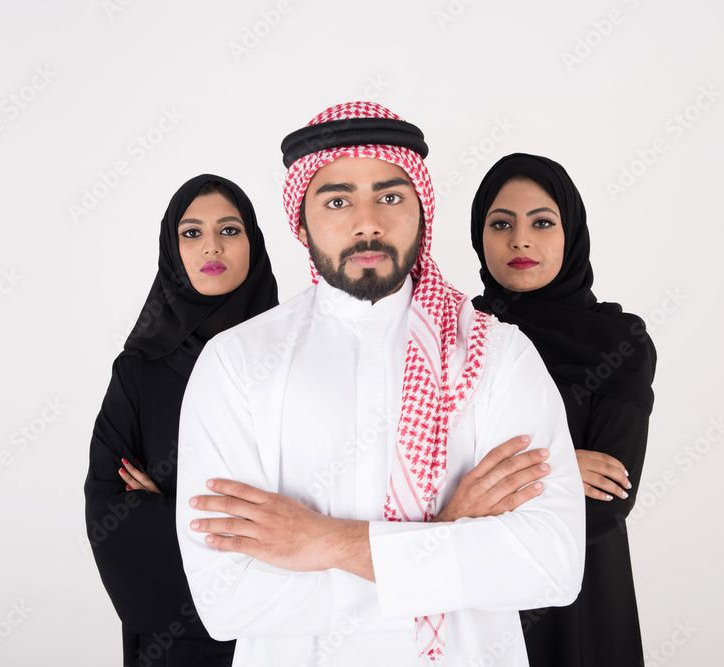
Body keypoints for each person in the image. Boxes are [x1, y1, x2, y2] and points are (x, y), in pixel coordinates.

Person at [175, 102, 586, 667]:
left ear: (422, 211)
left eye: (390, 197)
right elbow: (227, 603)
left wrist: (322, 543)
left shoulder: (498, 355)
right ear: (300, 221)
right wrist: (447, 539)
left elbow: (552, 565)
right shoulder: (237, 364)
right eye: (338, 200)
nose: (367, 221)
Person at [469, 153, 656, 667]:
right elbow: (420, 476)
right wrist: (560, 465)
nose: (520, 240)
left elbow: (608, 500)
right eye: (501, 223)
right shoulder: (458, 335)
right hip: (471, 590)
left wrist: (483, 487)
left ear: (571, 233)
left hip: (581, 587)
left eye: (542, 223)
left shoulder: (620, 342)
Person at [84, 174, 279, 667]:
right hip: (173, 644)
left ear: (253, 243)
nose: (211, 246)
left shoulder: (294, 355)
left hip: (286, 630)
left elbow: (326, 502)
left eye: (229, 230)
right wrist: (254, 535)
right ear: (172, 249)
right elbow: (111, 516)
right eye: (191, 233)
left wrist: (172, 511)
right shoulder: (140, 369)